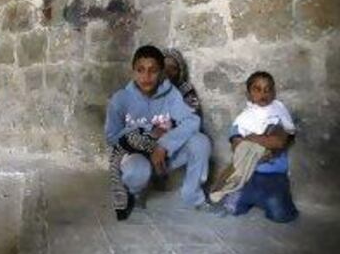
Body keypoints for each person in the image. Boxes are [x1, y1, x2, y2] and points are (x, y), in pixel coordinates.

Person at [105, 45, 215, 220]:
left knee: (201, 142)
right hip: (136, 156)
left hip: (164, 158)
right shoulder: (121, 99)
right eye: (140, 70)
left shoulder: (171, 94)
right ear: (133, 71)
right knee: (137, 171)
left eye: (153, 71)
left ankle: (193, 196)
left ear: (161, 72)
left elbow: (192, 120)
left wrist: (164, 145)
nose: (146, 77)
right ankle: (136, 191)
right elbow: (112, 137)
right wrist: (146, 133)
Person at [218, 71, 299, 223]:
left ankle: (268, 199)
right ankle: (247, 196)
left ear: (273, 92)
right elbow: (237, 146)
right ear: (249, 94)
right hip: (247, 175)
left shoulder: (278, 113)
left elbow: (279, 141)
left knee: (279, 213)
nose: (263, 93)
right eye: (257, 89)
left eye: (268, 89)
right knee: (231, 206)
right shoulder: (243, 119)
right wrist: (264, 142)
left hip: (273, 175)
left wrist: (251, 138)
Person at [162, 48, 201, 114]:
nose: (168, 73)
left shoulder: (186, 90)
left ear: (180, 70)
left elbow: (194, 114)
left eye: (173, 68)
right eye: (164, 68)